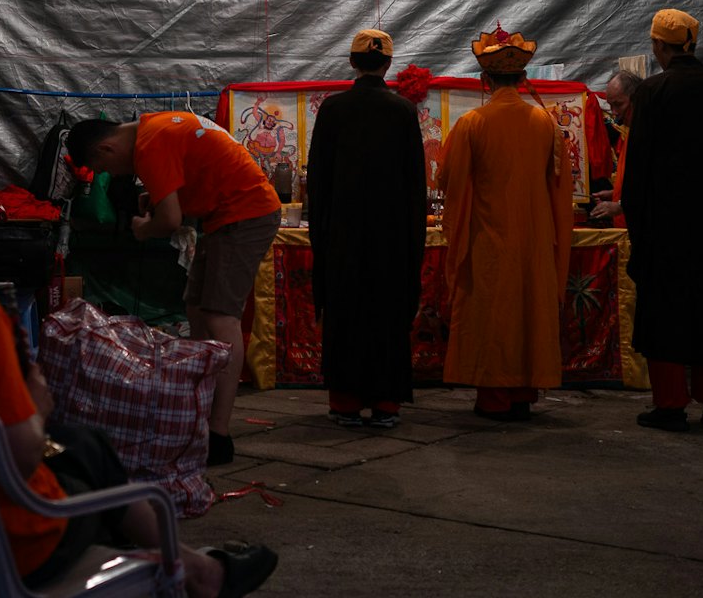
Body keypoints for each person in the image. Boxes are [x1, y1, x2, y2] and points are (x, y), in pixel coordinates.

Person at [0, 130, 279, 598]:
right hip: (6, 546)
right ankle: (187, 571)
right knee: (90, 470)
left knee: (83, 445)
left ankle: (189, 569)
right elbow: (21, 455)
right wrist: (37, 405)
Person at [66, 113, 280, 466]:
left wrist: (142, 228)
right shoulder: (156, 126)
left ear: (106, 147)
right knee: (195, 307)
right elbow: (191, 176)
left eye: (104, 166)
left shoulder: (150, 145)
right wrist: (158, 196)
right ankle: (196, 416)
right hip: (225, 214)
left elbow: (170, 221)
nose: (113, 174)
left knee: (219, 315)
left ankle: (219, 435)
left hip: (245, 213)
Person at [621, 10, 703, 433]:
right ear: (692, 44)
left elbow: (638, 167)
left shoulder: (653, 91)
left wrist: (637, 227)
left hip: (666, 230)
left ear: (660, 46)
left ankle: (671, 406)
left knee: (666, 316)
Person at [438, 25, 574, 421]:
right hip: (534, 235)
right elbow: (560, 185)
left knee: (494, 314)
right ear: (524, 78)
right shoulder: (545, 123)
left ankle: (494, 398)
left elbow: (448, 179)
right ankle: (523, 394)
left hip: (487, 235)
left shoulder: (472, 123)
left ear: (484, 80)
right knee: (529, 309)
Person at [305, 29, 427, 428]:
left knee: (346, 311)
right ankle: (386, 405)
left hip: (343, 231)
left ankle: (345, 403)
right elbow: (415, 185)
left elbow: (318, 178)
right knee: (386, 314)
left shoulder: (333, 109)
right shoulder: (404, 111)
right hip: (391, 235)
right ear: (388, 64)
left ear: (352, 62)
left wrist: (320, 232)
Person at [588, 69, 642, 226]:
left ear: (637, 99)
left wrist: (620, 206)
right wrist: (615, 194)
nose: (614, 113)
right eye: (611, 106)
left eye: (618, 105)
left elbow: (657, 187)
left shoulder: (650, 134)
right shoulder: (630, 132)